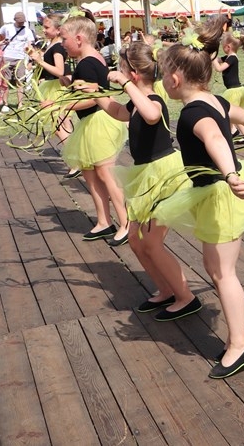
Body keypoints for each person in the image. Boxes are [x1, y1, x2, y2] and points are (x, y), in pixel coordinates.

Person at [155, 17, 244, 379]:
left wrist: (231, 174)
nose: (162, 80)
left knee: (223, 272)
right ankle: (240, 328)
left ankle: (240, 341)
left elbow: (216, 139)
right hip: (219, 192)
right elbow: (243, 115)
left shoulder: (193, 112)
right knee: (217, 267)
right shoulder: (214, 100)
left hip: (221, 192)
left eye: (163, 74)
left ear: (176, 79)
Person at [95, 41, 200, 319]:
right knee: (135, 239)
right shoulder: (136, 101)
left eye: (121, 69)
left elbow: (152, 115)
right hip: (145, 176)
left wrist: (124, 84)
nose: (118, 72)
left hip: (163, 176)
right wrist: (95, 94)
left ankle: (186, 297)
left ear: (133, 74)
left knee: (152, 243)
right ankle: (165, 290)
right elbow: (121, 113)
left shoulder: (154, 100)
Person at [47, 14, 130, 244]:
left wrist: (60, 105)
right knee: (91, 174)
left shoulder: (88, 63)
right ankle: (104, 221)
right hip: (90, 124)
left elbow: (95, 97)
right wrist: (70, 83)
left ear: (79, 38)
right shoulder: (89, 60)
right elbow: (86, 87)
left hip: (98, 122)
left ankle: (126, 222)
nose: (62, 44)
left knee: (105, 174)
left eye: (64, 39)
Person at [28, 13, 77, 177]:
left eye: (47, 27)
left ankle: (75, 160)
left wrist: (40, 61)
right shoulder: (53, 45)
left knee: (59, 126)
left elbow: (59, 71)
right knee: (64, 125)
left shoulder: (57, 47)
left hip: (54, 89)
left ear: (58, 30)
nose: (43, 30)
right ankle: (76, 158)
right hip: (52, 87)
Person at [213, 31, 244, 135]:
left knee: (231, 113)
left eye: (222, 46)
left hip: (234, 91)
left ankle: (234, 131)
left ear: (228, 47)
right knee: (235, 114)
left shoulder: (232, 58)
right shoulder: (228, 57)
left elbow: (219, 68)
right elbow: (217, 60)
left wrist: (212, 59)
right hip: (236, 89)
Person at [0, 11, 37, 110]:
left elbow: (30, 46)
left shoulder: (27, 31)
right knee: (6, 81)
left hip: (20, 58)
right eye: (19, 21)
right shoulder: (6, 28)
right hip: (7, 57)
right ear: (15, 20)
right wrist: (2, 42)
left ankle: (20, 104)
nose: (21, 23)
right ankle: (5, 104)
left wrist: (30, 60)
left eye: (23, 21)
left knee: (20, 81)